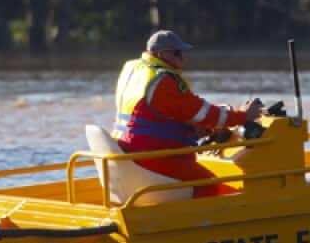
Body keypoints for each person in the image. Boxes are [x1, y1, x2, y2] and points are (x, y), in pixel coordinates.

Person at [113, 30, 263, 197]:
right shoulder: (163, 80)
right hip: (153, 156)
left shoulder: (134, 70)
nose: (182, 58)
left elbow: (155, 115)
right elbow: (203, 113)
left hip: (129, 151)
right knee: (208, 184)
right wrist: (242, 116)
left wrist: (196, 131)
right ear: (162, 54)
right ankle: (202, 222)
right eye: (177, 53)